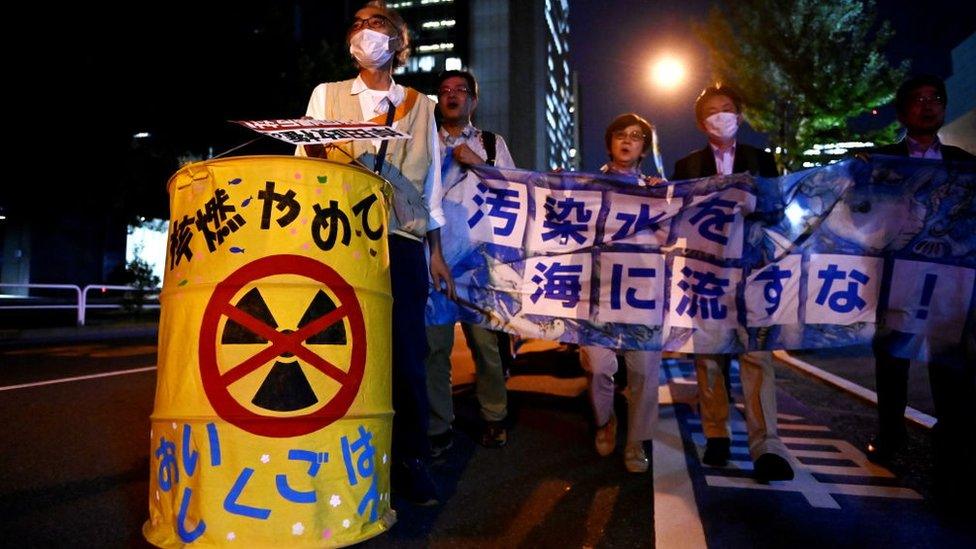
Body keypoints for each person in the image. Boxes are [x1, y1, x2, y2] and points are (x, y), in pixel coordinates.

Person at [299, 0, 454, 506]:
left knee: (406, 353)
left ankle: (410, 459)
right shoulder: (326, 94)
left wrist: (435, 250)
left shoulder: (423, 106)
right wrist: (319, 150)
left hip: (401, 240)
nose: (367, 32)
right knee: (335, 346)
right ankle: (330, 454)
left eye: (379, 24)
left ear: (398, 41)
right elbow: (304, 162)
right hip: (337, 238)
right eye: (360, 24)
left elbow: (431, 185)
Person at [673, 84, 793, 481]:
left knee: (757, 356)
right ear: (700, 121)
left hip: (753, 272)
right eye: (712, 111)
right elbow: (675, 218)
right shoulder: (687, 166)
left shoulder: (762, 160)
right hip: (706, 275)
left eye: (727, 109)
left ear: (739, 116)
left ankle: (767, 446)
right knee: (709, 357)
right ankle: (716, 435)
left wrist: (756, 205)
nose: (720, 116)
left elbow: (779, 212)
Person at [865, 75, 975, 489]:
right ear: (902, 111)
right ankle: (891, 434)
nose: (928, 106)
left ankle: (952, 442)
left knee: (949, 364)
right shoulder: (881, 162)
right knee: (892, 360)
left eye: (935, 99)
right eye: (918, 100)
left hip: (950, 281)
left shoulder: (965, 164)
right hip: (898, 276)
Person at [425, 70, 515, 455]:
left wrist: (476, 162)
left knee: (486, 346)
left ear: (473, 101)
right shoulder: (423, 143)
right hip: (434, 257)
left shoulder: (492, 143)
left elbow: (514, 191)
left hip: (479, 262)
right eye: (445, 91)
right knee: (435, 346)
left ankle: (494, 417)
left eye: (460, 90)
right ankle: (438, 425)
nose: (452, 96)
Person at [582, 113, 663, 473]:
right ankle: (605, 420)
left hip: (644, 295)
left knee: (644, 371)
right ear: (610, 142)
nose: (627, 140)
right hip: (597, 294)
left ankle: (635, 444)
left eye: (636, 136)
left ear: (644, 147)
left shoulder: (656, 190)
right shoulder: (588, 186)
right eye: (620, 134)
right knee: (598, 366)